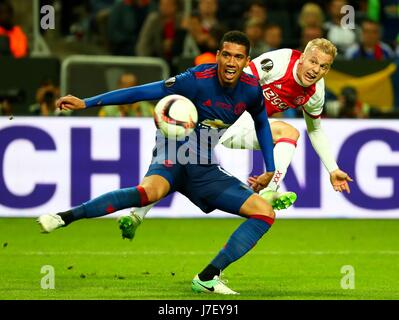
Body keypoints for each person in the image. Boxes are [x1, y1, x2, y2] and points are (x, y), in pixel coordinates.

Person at [38, 31, 277, 295]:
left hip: (204, 166)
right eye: (227, 55)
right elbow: (141, 92)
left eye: (238, 57)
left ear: (246, 61)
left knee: (264, 212)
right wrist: (87, 103)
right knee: (147, 193)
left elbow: (262, 123)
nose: (231, 62)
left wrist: (270, 168)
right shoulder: (196, 80)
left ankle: (208, 276)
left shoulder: (252, 89)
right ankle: (64, 217)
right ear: (219, 55)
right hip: (173, 153)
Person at [127, 38, 352, 234]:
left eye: (323, 66)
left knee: (290, 133)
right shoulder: (279, 62)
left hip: (244, 126)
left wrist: (332, 169)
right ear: (302, 57)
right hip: (220, 114)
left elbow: (314, 129)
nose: (316, 69)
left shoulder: (316, 93)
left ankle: (269, 191)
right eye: (313, 61)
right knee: (180, 165)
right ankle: (136, 215)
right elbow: (236, 79)